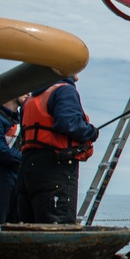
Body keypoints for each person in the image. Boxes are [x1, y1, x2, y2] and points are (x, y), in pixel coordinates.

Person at [17, 77, 99, 224]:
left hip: (27, 169)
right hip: (55, 168)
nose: (78, 75)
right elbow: (69, 123)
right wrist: (92, 132)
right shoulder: (64, 90)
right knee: (58, 226)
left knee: (28, 225)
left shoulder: (30, 99)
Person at [0, 94, 28, 224]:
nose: (28, 93)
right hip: (1, 177)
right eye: (24, 90)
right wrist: (25, 158)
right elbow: (0, 149)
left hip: (16, 177)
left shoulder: (22, 120)